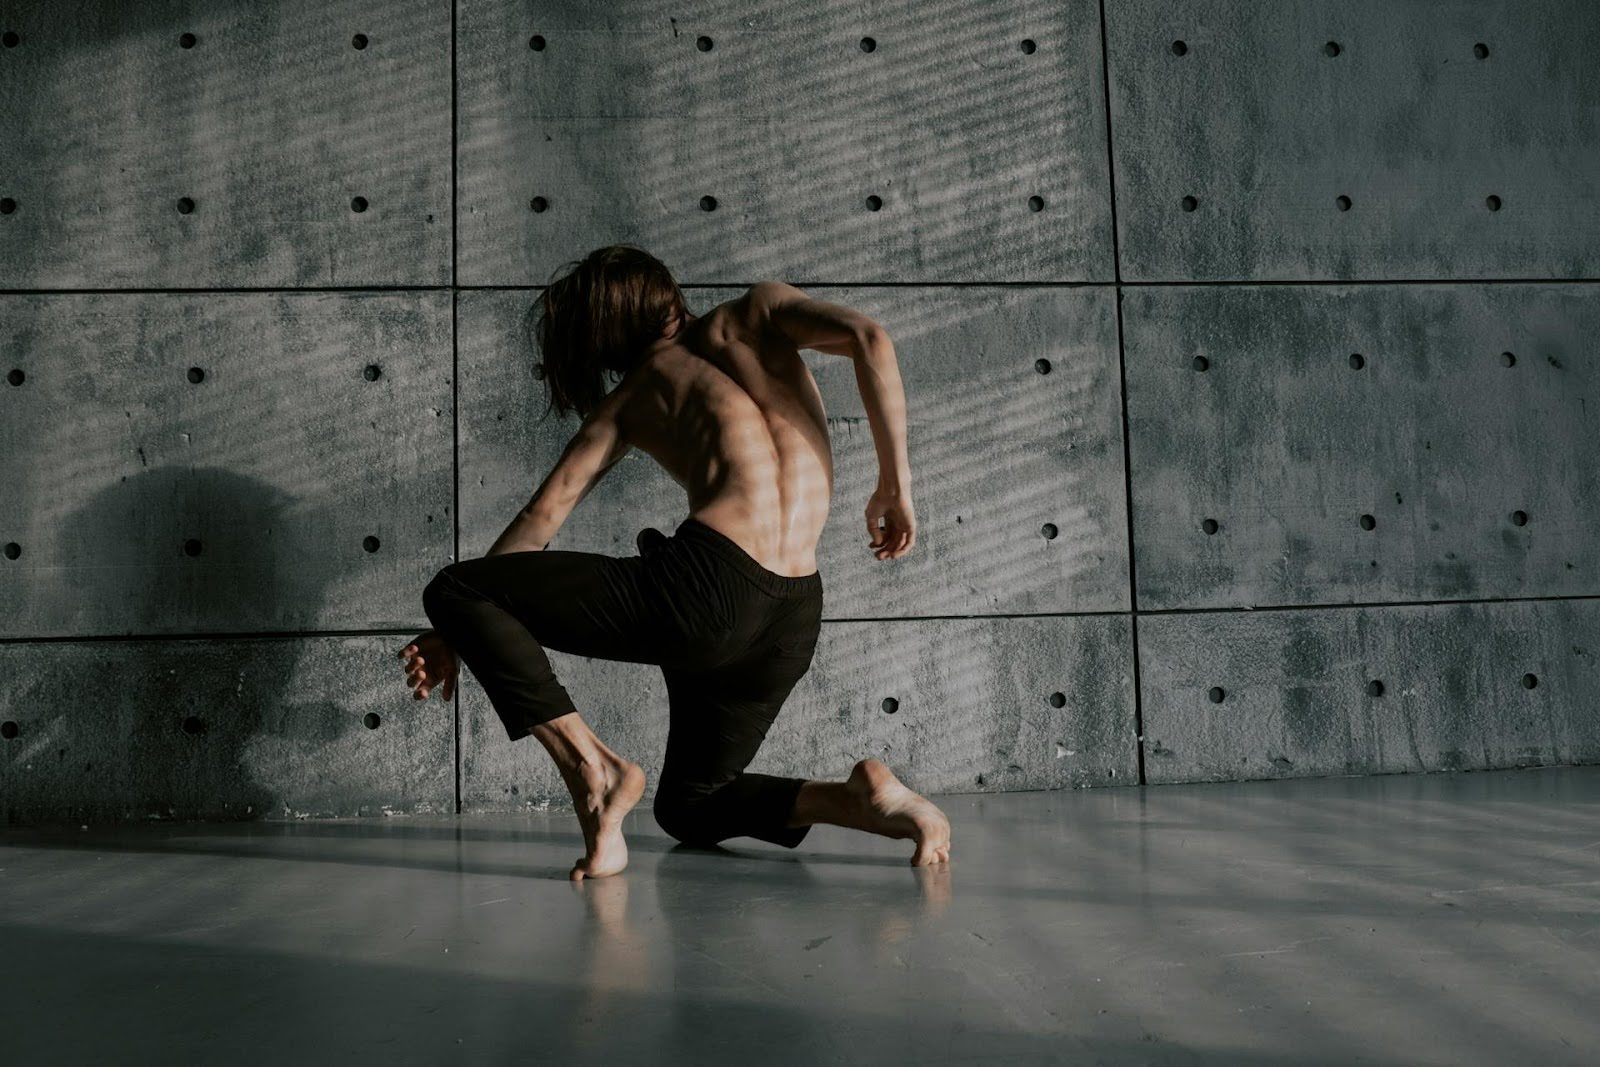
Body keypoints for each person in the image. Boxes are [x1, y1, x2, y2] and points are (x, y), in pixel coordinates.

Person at [398, 244, 951, 880]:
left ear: (597, 337)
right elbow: (868, 336)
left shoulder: (632, 397)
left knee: (457, 587)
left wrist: (457, 628)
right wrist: (893, 486)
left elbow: (540, 519)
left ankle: (593, 770)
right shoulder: (759, 312)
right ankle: (855, 799)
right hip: (794, 613)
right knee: (690, 807)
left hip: (707, 592)